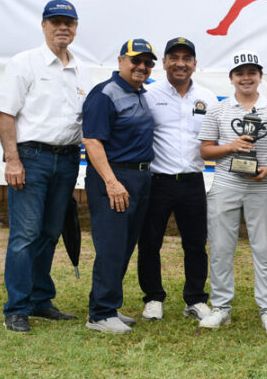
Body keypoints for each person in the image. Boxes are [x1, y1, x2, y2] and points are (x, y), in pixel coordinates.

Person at [0, 0, 90, 332]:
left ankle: (39, 300)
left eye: (68, 23)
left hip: (67, 159)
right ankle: (16, 308)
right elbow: (6, 113)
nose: (63, 28)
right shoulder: (24, 63)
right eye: (56, 22)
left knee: (49, 232)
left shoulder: (80, 69)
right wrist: (13, 159)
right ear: (44, 26)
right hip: (31, 158)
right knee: (25, 234)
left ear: (75, 28)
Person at [198, 51, 267, 334]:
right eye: (240, 73)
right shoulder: (218, 110)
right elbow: (205, 150)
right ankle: (221, 307)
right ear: (231, 78)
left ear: (260, 77)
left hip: (261, 186)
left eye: (252, 73)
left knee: (264, 249)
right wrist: (232, 146)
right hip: (226, 185)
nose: (246, 78)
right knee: (220, 248)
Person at [137, 37, 218, 322]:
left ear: (195, 64)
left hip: (193, 181)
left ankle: (195, 299)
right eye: (174, 58)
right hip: (157, 181)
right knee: (150, 243)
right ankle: (153, 298)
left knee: (195, 244)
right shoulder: (149, 94)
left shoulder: (208, 97)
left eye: (186, 58)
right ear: (164, 62)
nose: (180, 63)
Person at [82, 39, 157, 334]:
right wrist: (112, 182)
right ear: (120, 61)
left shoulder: (140, 93)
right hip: (114, 178)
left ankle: (109, 307)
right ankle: (99, 314)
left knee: (124, 246)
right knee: (111, 246)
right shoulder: (105, 94)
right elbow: (91, 140)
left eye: (148, 62)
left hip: (139, 178)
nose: (142, 67)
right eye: (135, 60)